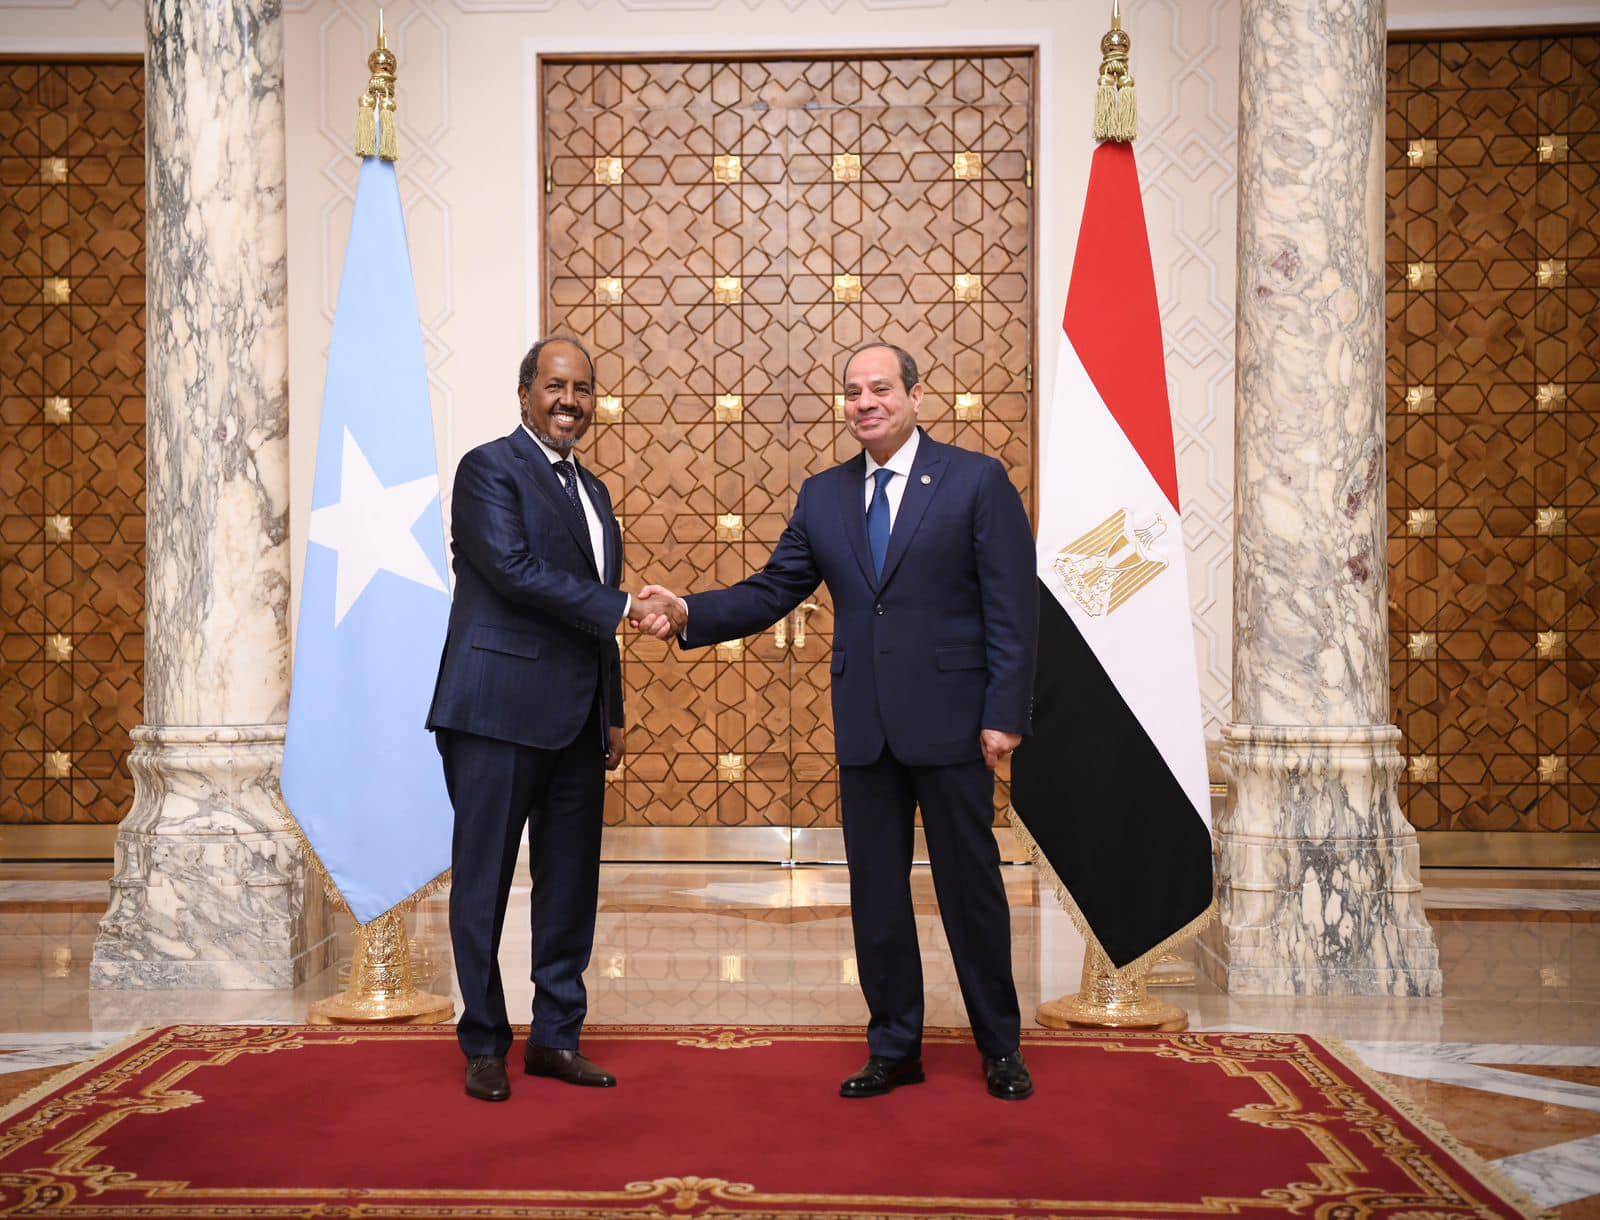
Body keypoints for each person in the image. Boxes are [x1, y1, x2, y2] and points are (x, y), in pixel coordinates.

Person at [635, 343, 1039, 1100]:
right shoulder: (824, 495)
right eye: (853, 392)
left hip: (955, 722)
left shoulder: (975, 480)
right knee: (875, 892)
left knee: (971, 888)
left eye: (880, 388)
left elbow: (1012, 605)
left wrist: (1003, 713)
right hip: (866, 725)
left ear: (916, 396)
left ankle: (1001, 1047)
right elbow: (771, 590)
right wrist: (687, 610)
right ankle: (895, 1047)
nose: (865, 403)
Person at [426, 336, 680, 1102]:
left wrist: (613, 709)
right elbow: (513, 571)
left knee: (570, 885)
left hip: (575, 720)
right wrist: (625, 606)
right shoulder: (487, 469)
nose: (570, 400)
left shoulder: (593, 491)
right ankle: (484, 1042)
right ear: (525, 393)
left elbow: (591, 618)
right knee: (484, 882)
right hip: (495, 712)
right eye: (555, 386)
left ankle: (557, 1037)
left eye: (583, 389)